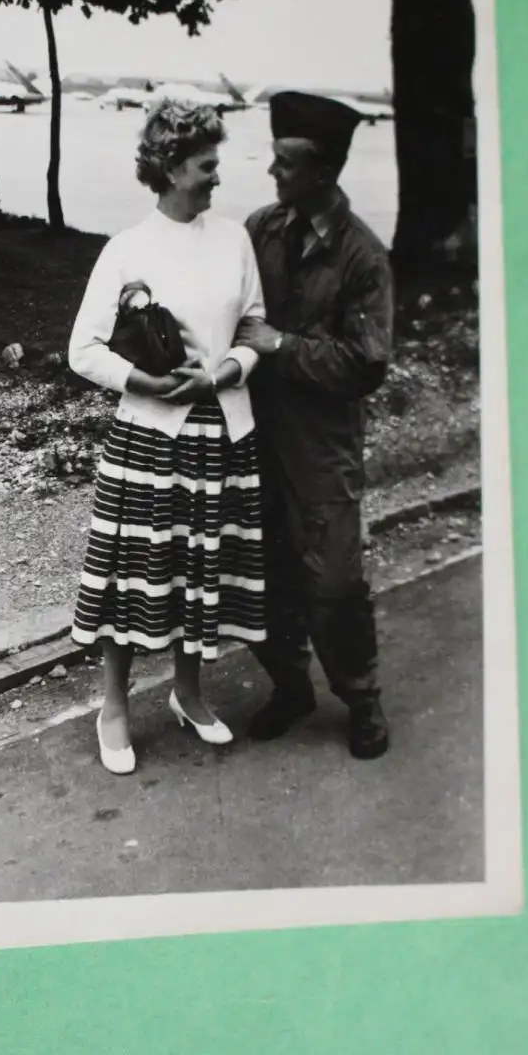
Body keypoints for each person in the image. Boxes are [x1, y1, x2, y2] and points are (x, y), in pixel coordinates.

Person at [68, 99, 267, 775]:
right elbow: (83, 349)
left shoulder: (235, 240)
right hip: (151, 439)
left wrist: (224, 372)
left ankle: (188, 692)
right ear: (173, 167)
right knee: (135, 572)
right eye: (207, 165)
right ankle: (114, 707)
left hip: (221, 431)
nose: (217, 176)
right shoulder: (127, 249)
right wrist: (144, 382)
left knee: (199, 568)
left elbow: (255, 327)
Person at [235, 90, 394, 760]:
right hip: (258, 438)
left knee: (334, 584)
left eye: (287, 163)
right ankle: (291, 687)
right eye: (274, 160)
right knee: (264, 572)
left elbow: (366, 363)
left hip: (324, 450)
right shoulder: (260, 229)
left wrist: (281, 346)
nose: (273, 173)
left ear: (324, 171)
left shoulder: (363, 257)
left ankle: (362, 699)